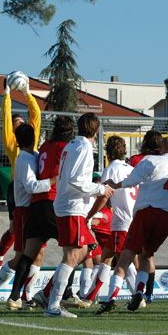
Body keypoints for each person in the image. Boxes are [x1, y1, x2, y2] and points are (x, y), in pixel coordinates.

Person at [96, 137, 168, 314]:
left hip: (146, 212)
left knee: (125, 257)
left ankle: (110, 299)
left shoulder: (151, 160)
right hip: (167, 218)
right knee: (147, 255)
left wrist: (116, 184)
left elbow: (133, 179)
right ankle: (140, 291)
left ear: (160, 148)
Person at [44, 113, 114, 318]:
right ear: (97, 129)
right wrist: (100, 189)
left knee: (83, 252)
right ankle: (53, 305)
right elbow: (76, 180)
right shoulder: (83, 147)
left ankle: (47, 296)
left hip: (68, 205)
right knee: (74, 256)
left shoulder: (72, 145)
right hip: (72, 206)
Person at [8, 116, 75, 309]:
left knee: (28, 255)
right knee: (77, 250)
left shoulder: (43, 147)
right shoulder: (64, 148)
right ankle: (63, 292)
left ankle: (14, 297)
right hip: (51, 202)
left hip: (36, 206)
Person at [0, 124, 53, 310]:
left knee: (38, 255)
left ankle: (26, 295)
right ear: (34, 138)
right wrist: (53, 181)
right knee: (21, 258)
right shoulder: (23, 160)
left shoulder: (36, 156)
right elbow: (31, 187)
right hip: (25, 211)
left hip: (37, 210)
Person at [0, 72, 41, 277]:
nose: (21, 123)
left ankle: (25, 290)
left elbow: (36, 115)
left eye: (22, 121)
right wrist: (7, 95)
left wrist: (27, 93)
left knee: (34, 236)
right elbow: (5, 118)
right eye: (17, 122)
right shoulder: (12, 144)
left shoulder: (33, 138)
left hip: (34, 188)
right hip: (17, 190)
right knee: (14, 229)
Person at [82, 135, 138, 306]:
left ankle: (131, 295)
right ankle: (90, 297)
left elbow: (104, 196)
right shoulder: (131, 168)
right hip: (133, 219)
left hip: (121, 221)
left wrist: (89, 215)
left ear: (108, 152)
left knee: (117, 260)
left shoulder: (111, 169)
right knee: (111, 256)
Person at [128, 129, 163, 303]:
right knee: (148, 254)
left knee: (132, 252)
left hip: (136, 206)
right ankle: (147, 293)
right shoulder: (163, 161)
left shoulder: (136, 159)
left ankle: (139, 291)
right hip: (159, 208)